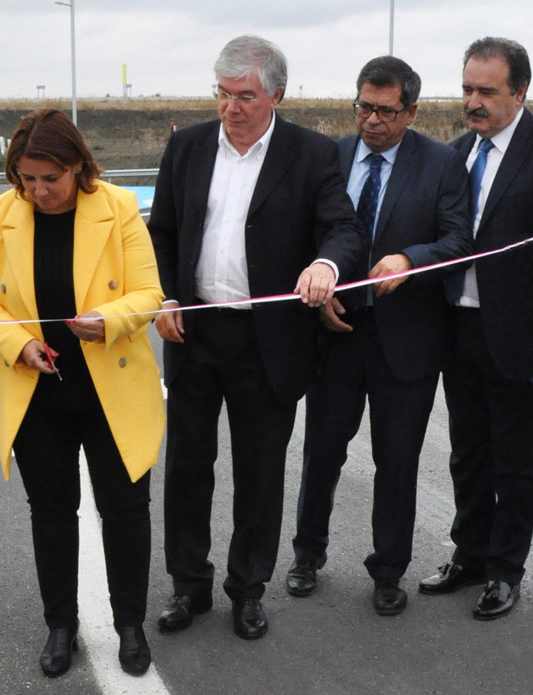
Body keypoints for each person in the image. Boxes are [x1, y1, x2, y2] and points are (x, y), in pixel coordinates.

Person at [149, 35, 366, 640]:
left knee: (261, 471)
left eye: (244, 96)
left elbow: (343, 229)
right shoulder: (187, 147)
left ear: (277, 94)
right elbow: (161, 232)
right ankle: (187, 586)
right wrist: (164, 296)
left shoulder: (313, 154)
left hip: (267, 341)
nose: (231, 108)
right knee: (189, 469)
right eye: (222, 94)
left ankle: (248, 589)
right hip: (194, 332)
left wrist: (325, 266)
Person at [0, 108, 165, 677]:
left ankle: (130, 624)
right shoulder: (1, 213)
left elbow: (150, 291)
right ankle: (61, 625)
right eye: (27, 178)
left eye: (50, 178)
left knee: (125, 511)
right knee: (51, 512)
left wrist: (110, 319)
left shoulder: (119, 207)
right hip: (38, 394)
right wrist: (18, 343)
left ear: (78, 166)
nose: (38, 191)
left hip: (111, 391)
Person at [284, 56, 472, 615]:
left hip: (405, 341)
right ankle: (306, 555)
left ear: (410, 111)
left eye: (385, 111)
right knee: (321, 452)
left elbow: (459, 241)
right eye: (363, 106)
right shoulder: (330, 158)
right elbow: (304, 235)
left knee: (397, 462)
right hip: (335, 333)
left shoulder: (442, 165)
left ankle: (389, 570)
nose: (371, 120)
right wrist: (320, 296)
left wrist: (409, 259)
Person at [418, 37, 533, 621]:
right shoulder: (456, 154)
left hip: (518, 336)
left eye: (487, 91)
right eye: (466, 89)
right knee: (467, 452)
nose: (473, 101)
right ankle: (469, 554)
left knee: (515, 459)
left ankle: (505, 570)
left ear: (520, 92)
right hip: (457, 327)